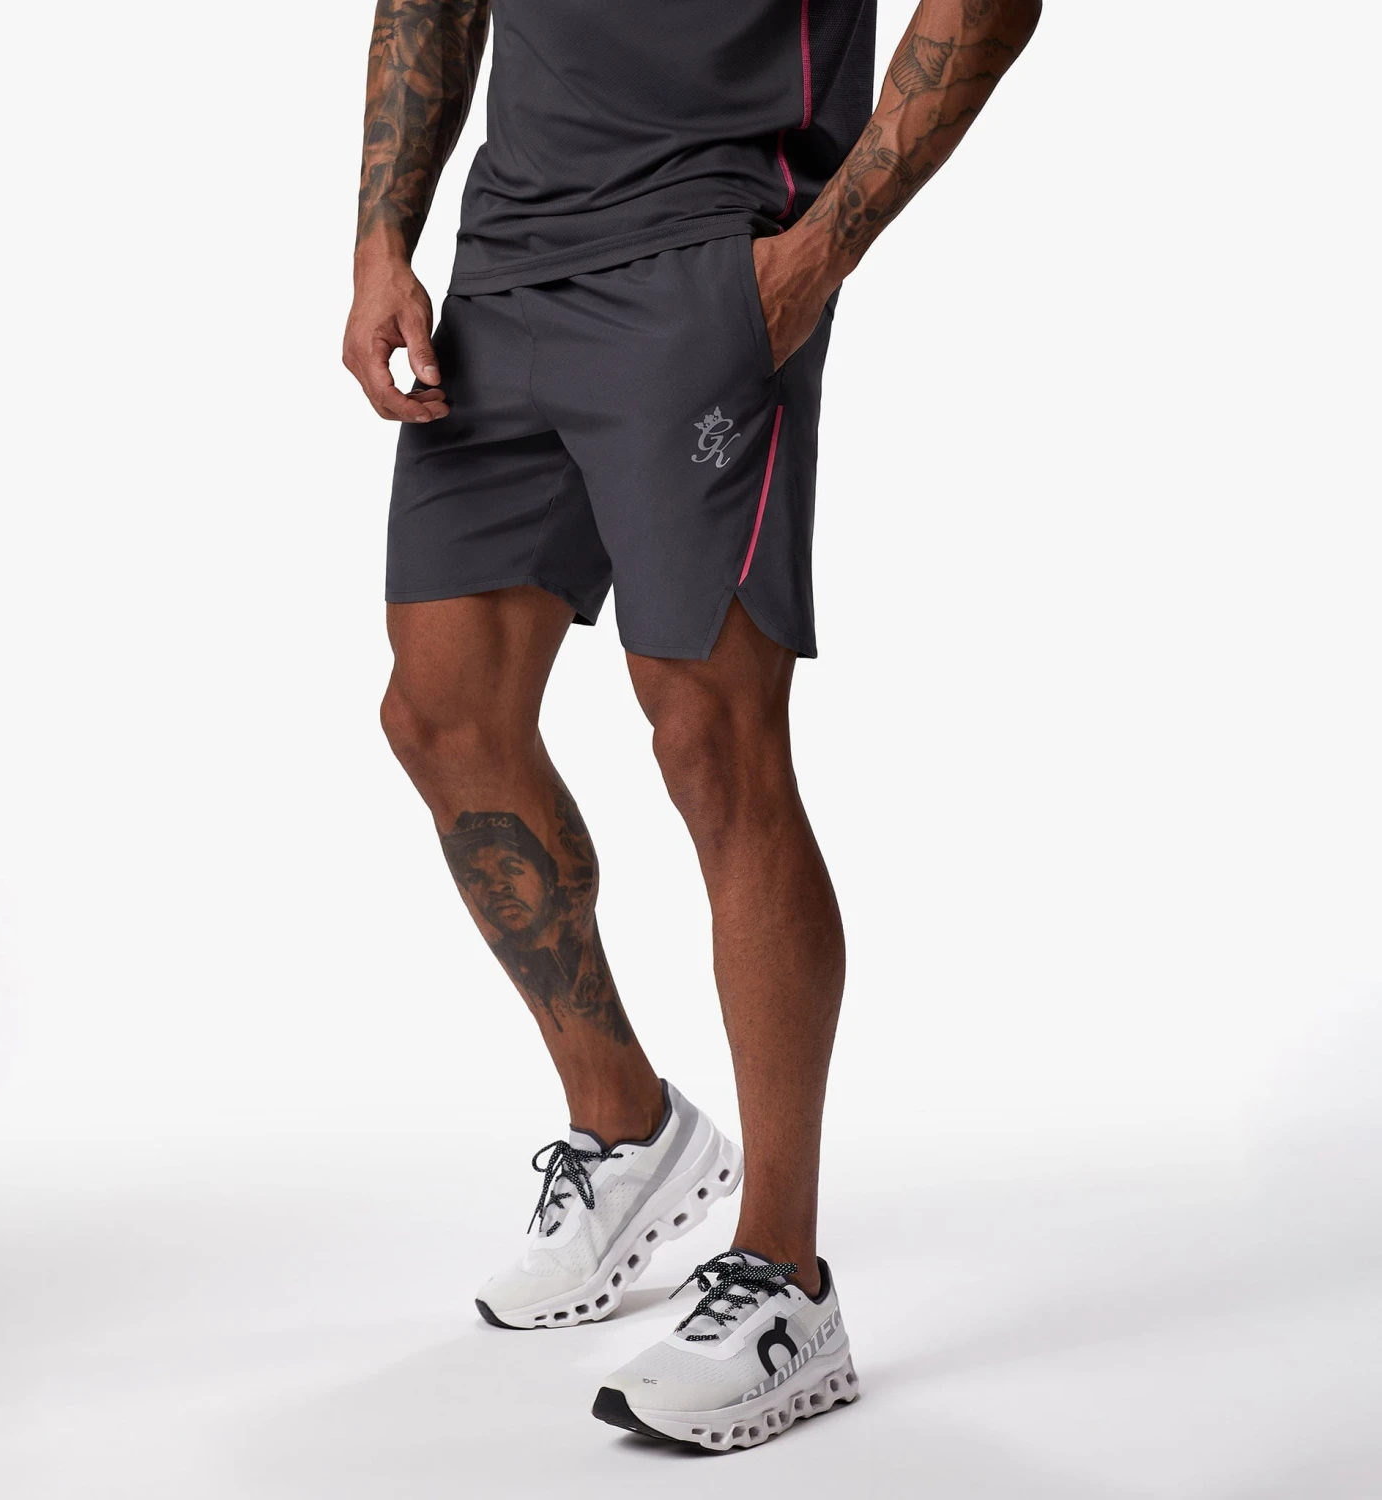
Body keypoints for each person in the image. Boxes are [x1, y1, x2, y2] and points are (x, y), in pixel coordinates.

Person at [343, 0, 1040, 1450]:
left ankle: (787, 1278)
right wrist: (380, 240)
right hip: (508, 254)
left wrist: (816, 255)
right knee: (442, 714)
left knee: (709, 742)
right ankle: (629, 1130)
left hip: (709, 251)